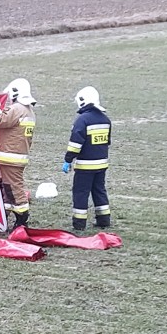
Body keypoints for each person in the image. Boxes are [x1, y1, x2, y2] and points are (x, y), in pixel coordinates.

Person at [0, 78, 37, 229]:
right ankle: (9, 215)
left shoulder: (17, 109)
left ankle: (22, 218)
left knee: (14, 188)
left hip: (10, 156)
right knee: (8, 188)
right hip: (16, 156)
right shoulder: (29, 111)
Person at [62, 86, 112, 230]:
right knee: (99, 191)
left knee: (80, 193)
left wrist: (68, 160)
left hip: (85, 166)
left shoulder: (82, 120)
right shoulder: (106, 119)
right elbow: (107, 141)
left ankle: (79, 224)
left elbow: (75, 144)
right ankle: (104, 220)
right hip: (101, 164)